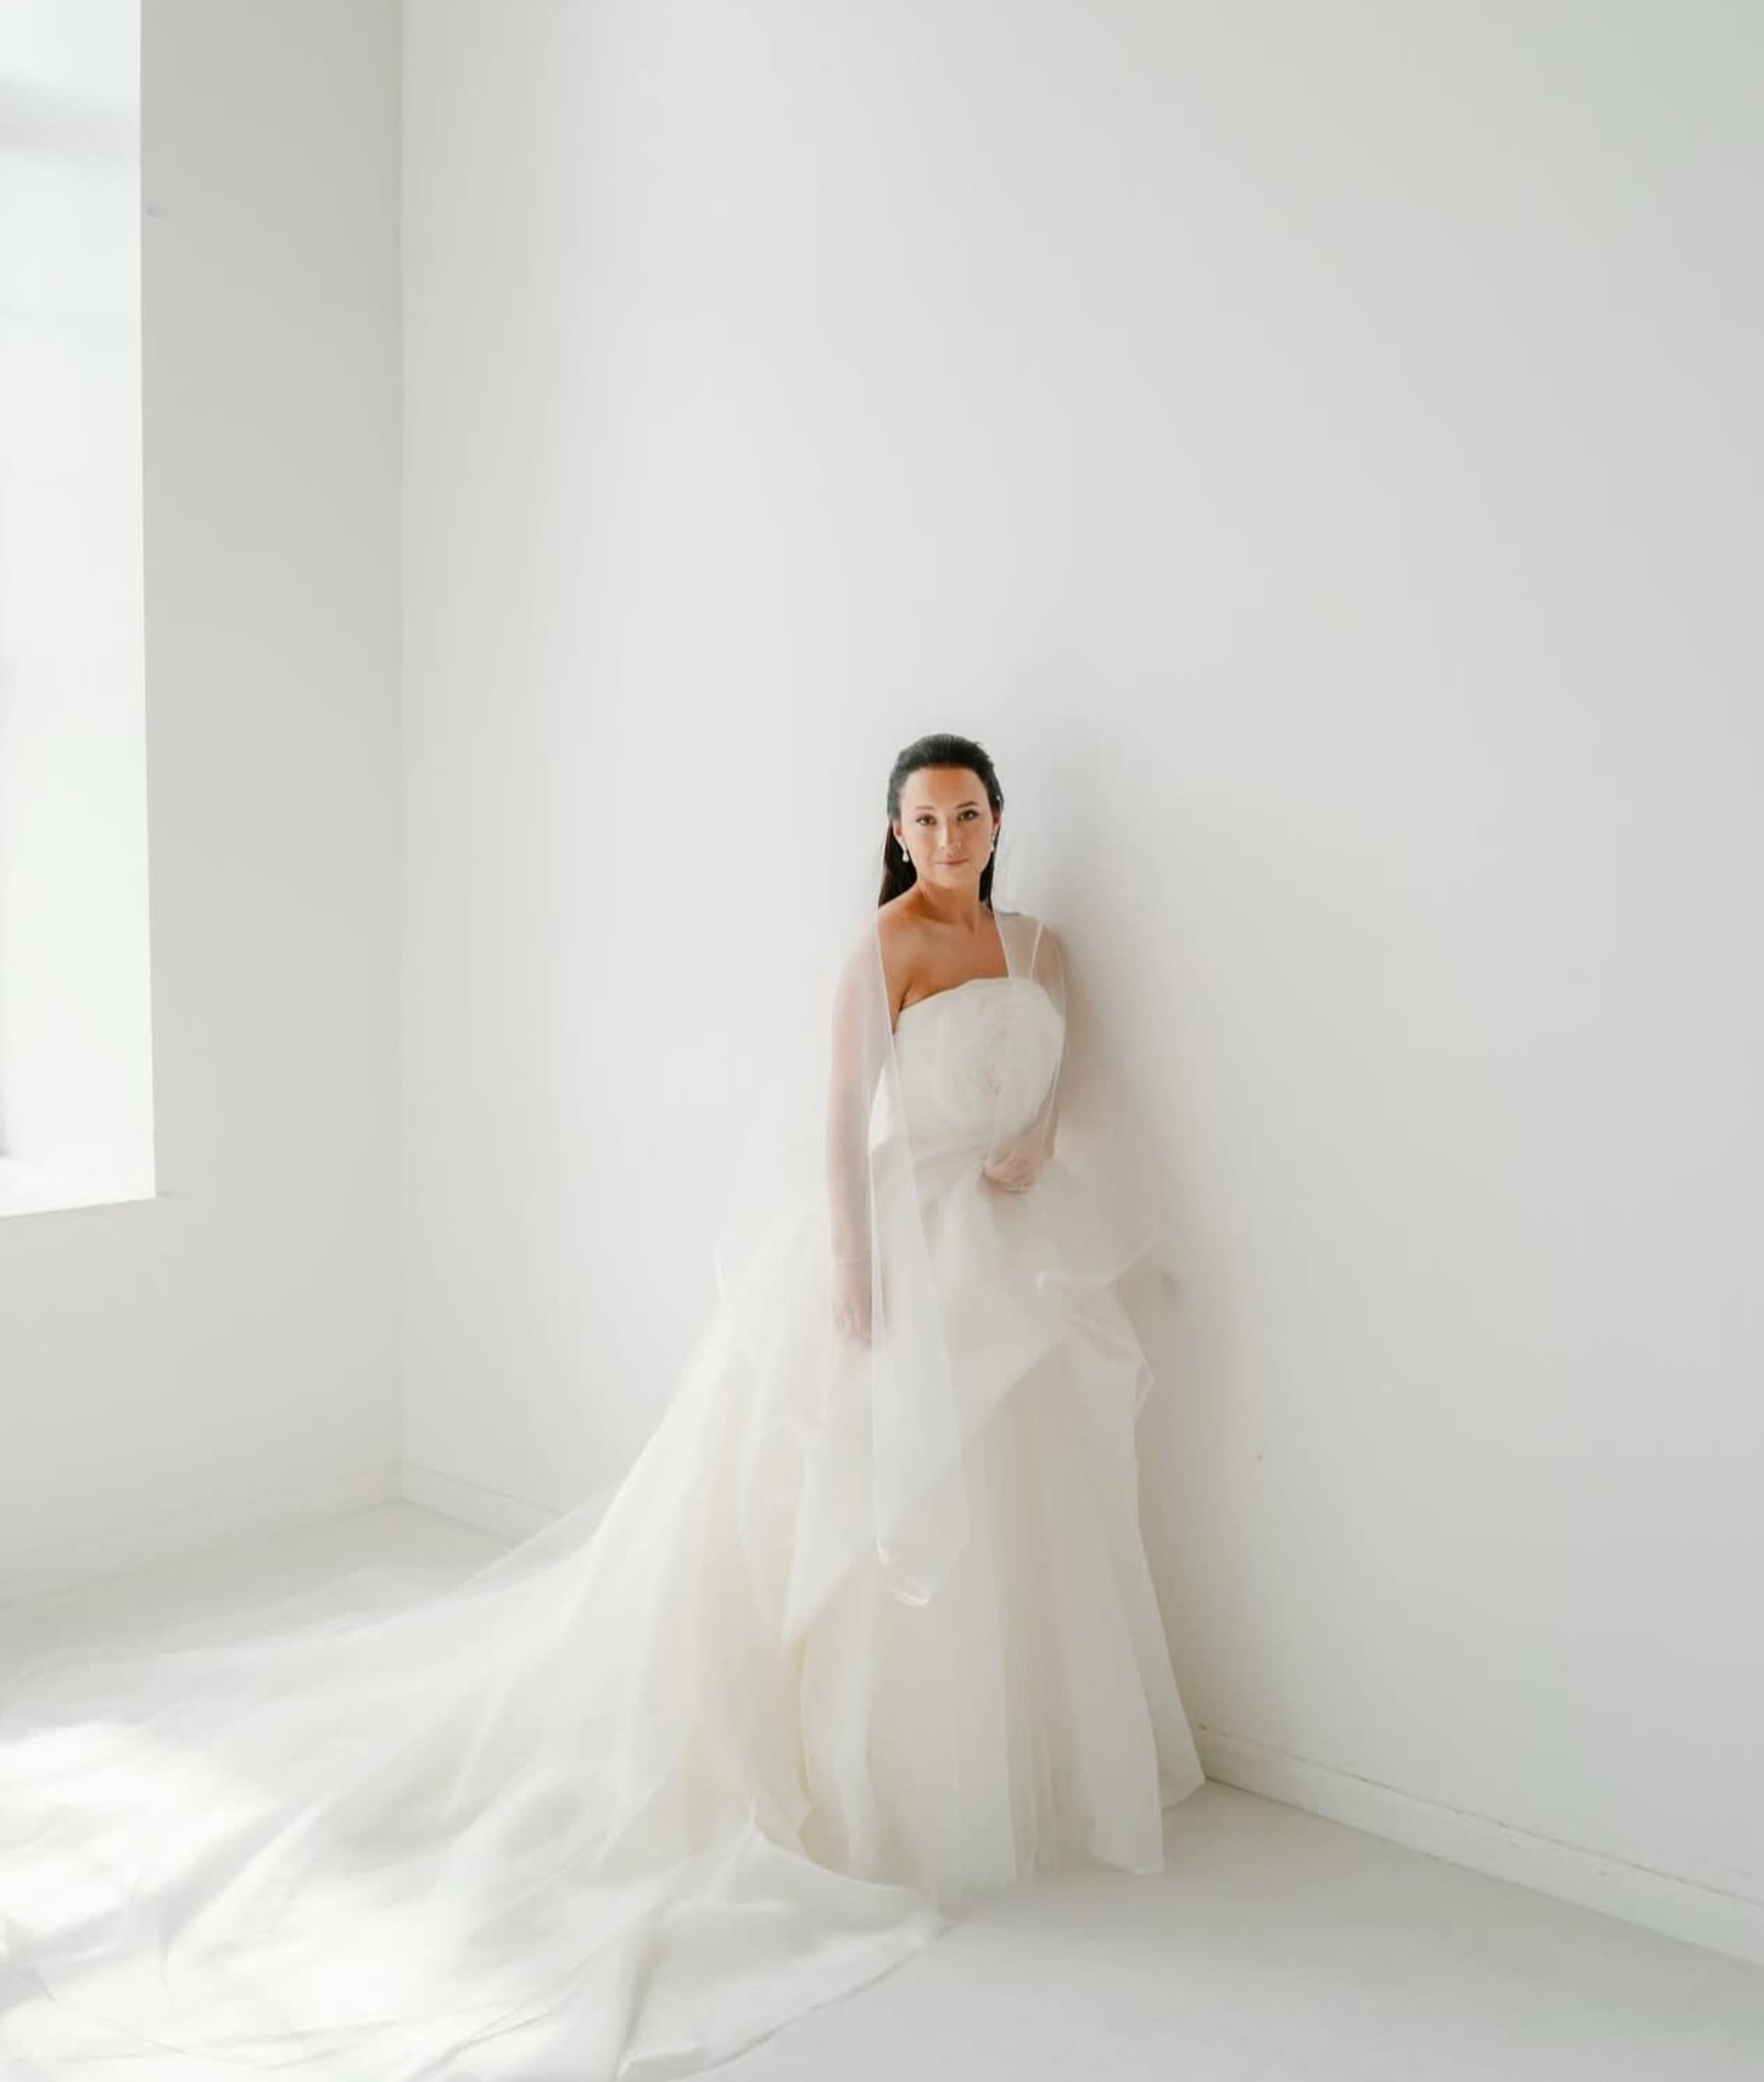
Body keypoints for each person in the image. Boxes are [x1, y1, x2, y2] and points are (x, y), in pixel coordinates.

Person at [0, 731, 1204, 2080]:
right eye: (921, 820)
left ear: (998, 820)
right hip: (897, 1251)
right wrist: (859, 1271)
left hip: (1006, 1265)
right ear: (893, 830)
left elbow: (1055, 1093)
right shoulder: (878, 951)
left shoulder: (1044, 949)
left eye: (967, 815)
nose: (946, 840)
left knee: (999, 1495)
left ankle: (988, 1761)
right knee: (850, 1501)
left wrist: (1036, 1149)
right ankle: (853, 1776)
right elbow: (836, 1121)